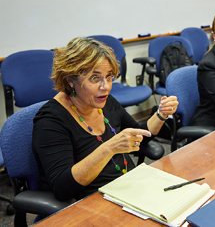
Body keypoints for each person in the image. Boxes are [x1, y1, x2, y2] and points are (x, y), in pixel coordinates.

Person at [32, 37, 179, 201]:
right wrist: (109, 148)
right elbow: (62, 188)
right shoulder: (50, 121)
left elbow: (139, 139)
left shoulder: (104, 100)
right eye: (95, 78)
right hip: (92, 202)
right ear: (71, 80)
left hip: (128, 189)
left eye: (109, 76)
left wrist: (161, 114)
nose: (106, 86)